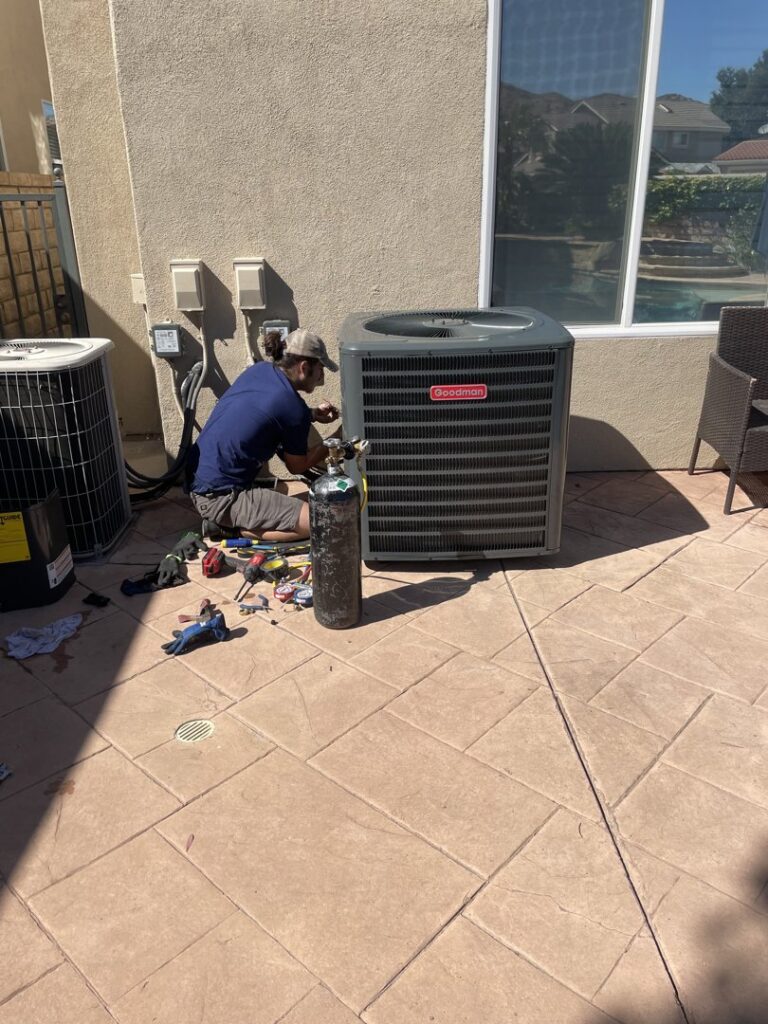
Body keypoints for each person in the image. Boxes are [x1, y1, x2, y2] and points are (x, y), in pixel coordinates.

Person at [188, 328, 340, 541]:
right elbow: (297, 465)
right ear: (304, 367)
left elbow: (266, 410)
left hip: (200, 480)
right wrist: (335, 441)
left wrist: (312, 414)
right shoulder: (292, 408)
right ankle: (226, 528)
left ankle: (229, 519)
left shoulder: (259, 370)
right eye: (320, 369)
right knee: (322, 521)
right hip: (220, 497)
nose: (322, 377)